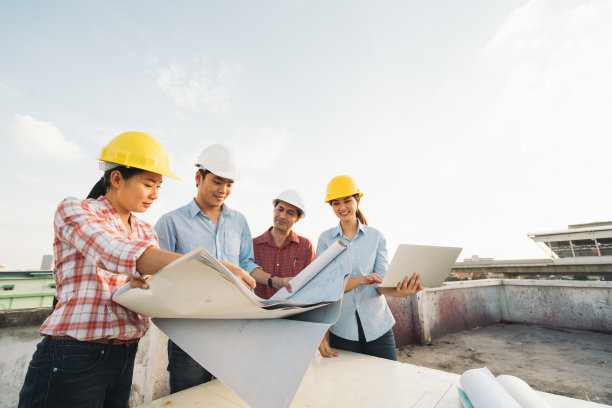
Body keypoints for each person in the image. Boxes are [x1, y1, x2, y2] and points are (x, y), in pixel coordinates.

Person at [17, 131, 255, 408]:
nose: (155, 194)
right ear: (117, 178)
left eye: (159, 187)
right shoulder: (76, 209)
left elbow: (154, 282)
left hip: (124, 352)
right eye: (148, 184)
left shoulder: (144, 230)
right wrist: (214, 267)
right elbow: (111, 252)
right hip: (73, 351)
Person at [155, 143, 286, 393]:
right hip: (189, 334)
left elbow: (245, 264)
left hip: (232, 331)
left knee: (226, 398)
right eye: (217, 181)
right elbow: (160, 275)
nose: (223, 190)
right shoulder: (170, 222)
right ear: (198, 177)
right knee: (189, 398)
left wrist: (275, 281)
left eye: (229, 184)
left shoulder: (239, 221)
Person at [316, 175, 423, 361]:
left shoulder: (376, 237)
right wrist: (360, 280)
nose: (342, 207)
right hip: (342, 330)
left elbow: (380, 284)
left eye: (347, 200)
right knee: (350, 387)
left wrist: (401, 292)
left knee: (387, 384)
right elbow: (326, 288)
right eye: (335, 203)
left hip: (379, 328)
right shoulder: (325, 240)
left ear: (358, 200)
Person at [253, 189, 315, 299]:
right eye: (280, 209)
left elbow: (311, 284)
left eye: (290, 213)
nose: (282, 216)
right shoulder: (254, 245)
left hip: (293, 312)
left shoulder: (305, 246)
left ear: (298, 219)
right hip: (259, 312)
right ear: (274, 210)